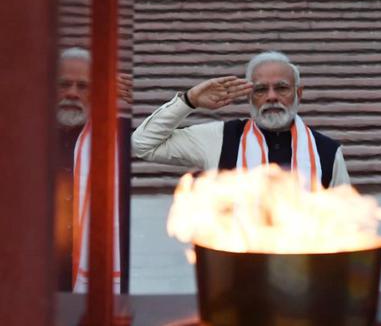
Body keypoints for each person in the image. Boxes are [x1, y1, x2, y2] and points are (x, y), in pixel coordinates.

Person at [132, 51, 350, 189]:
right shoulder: (220, 138)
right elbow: (142, 144)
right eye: (261, 89)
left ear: (298, 93)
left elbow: (346, 223)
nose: (271, 96)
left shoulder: (327, 151)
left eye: (282, 88)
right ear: (249, 96)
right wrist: (188, 101)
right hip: (235, 260)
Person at [55, 47, 131, 292]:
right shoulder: (20, 133)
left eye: (83, 86)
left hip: (95, 272)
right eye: (63, 84)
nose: (72, 93)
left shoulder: (119, 136)